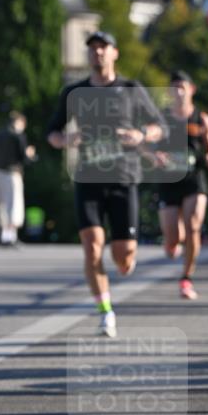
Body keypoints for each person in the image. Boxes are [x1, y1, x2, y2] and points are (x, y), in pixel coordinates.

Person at [47, 31, 166, 337]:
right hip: (88, 178)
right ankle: (105, 310)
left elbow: (159, 126)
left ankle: (127, 255)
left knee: (123, 258)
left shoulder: (131, 89)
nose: (97, 53)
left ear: (114, 53)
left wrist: (141, 135)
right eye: (92, 49)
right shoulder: (74, 92)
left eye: (103, 48)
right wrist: (66, 139)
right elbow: (52, 133)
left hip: (123, 178)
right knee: (92, 247)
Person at [153, 71, 208, 300]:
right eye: (174, 87)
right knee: (172, 238)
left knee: (193, 226)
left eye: (182, 86)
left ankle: (186, 278)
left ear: (192, 89)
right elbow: (150, 144)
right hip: (169, 181)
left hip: (194, 179)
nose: (178, 91)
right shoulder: (162, 117)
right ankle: (173, 242)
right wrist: (156, 155)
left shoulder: (202, 119)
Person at [0, 111, 36, 246]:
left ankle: (2, 235)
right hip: (11, 173)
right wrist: (30, 154)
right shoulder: (18, 135)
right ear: (20, 122)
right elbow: (24, 157)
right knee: (13, 203)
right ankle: (11, 236)